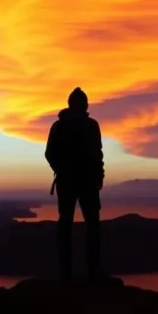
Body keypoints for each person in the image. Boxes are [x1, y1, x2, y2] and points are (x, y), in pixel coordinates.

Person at [45, 87, 105, 282]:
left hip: (70, 182)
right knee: (91, 226)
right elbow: (97, 154)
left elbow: (50, 154)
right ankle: (92, 274)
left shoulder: (59, 126)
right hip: (85, 182)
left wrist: (62, 170)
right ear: (84, 105)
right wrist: (98, 176)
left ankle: (67, 275)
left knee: (67, 225)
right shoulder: (90, 126)